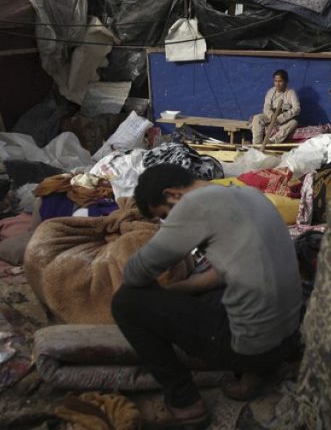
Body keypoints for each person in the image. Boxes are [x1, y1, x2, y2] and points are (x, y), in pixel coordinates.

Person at [111, 164, 302, 428]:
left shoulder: (195, 205)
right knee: (209, 293)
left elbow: (136, 273)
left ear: (172, 194)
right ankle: (257, 371)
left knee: (126, 302)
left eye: (165, 215)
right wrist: (177, 291)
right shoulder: (248, 194)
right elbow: (228, 271)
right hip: (288, 339)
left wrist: (157, 289)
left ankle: (184, 403)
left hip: (251, 349)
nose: (169, 221)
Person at [251, 69, 300, 146]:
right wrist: (272, 116)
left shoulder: (291, 93)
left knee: (294, 123)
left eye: (280, 81)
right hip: (272, 116)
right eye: (275, 81)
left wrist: (281, 118)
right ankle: (257, 144)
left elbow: (297, 109)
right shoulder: (271, 92)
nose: (277, 84)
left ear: (286, 81)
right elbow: (266, 107)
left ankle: (271, 141)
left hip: (285, 118)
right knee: (257, 118)